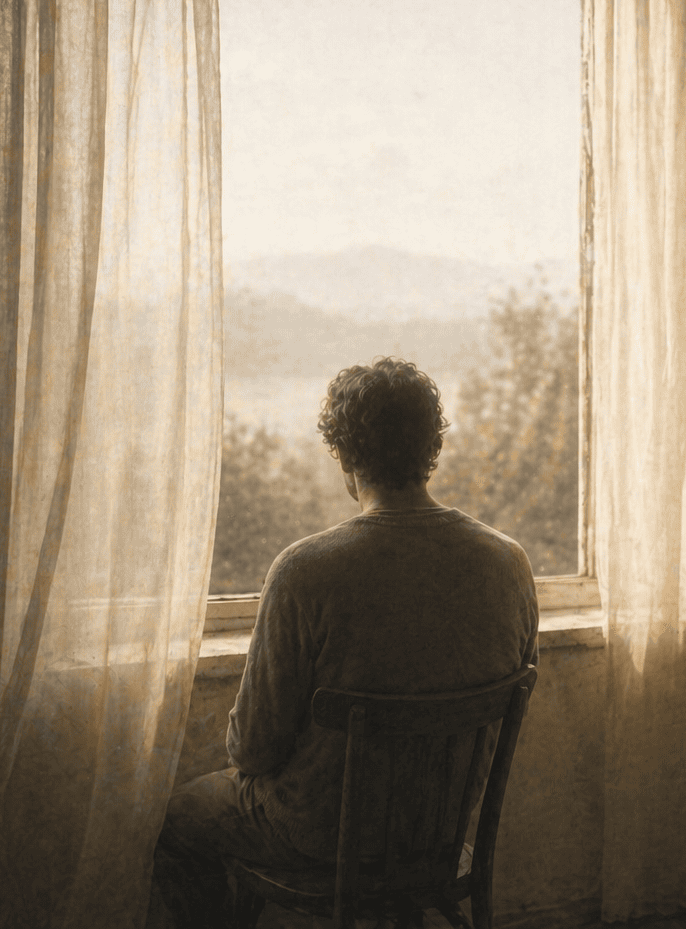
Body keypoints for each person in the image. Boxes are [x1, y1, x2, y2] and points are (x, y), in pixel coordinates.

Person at [152, 357, 540, 928]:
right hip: (435, 836)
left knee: (176, 820)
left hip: (318, 838)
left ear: (344, 454)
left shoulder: (306, 570)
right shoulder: (508, 563)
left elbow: (253, 751)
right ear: (430, 447)